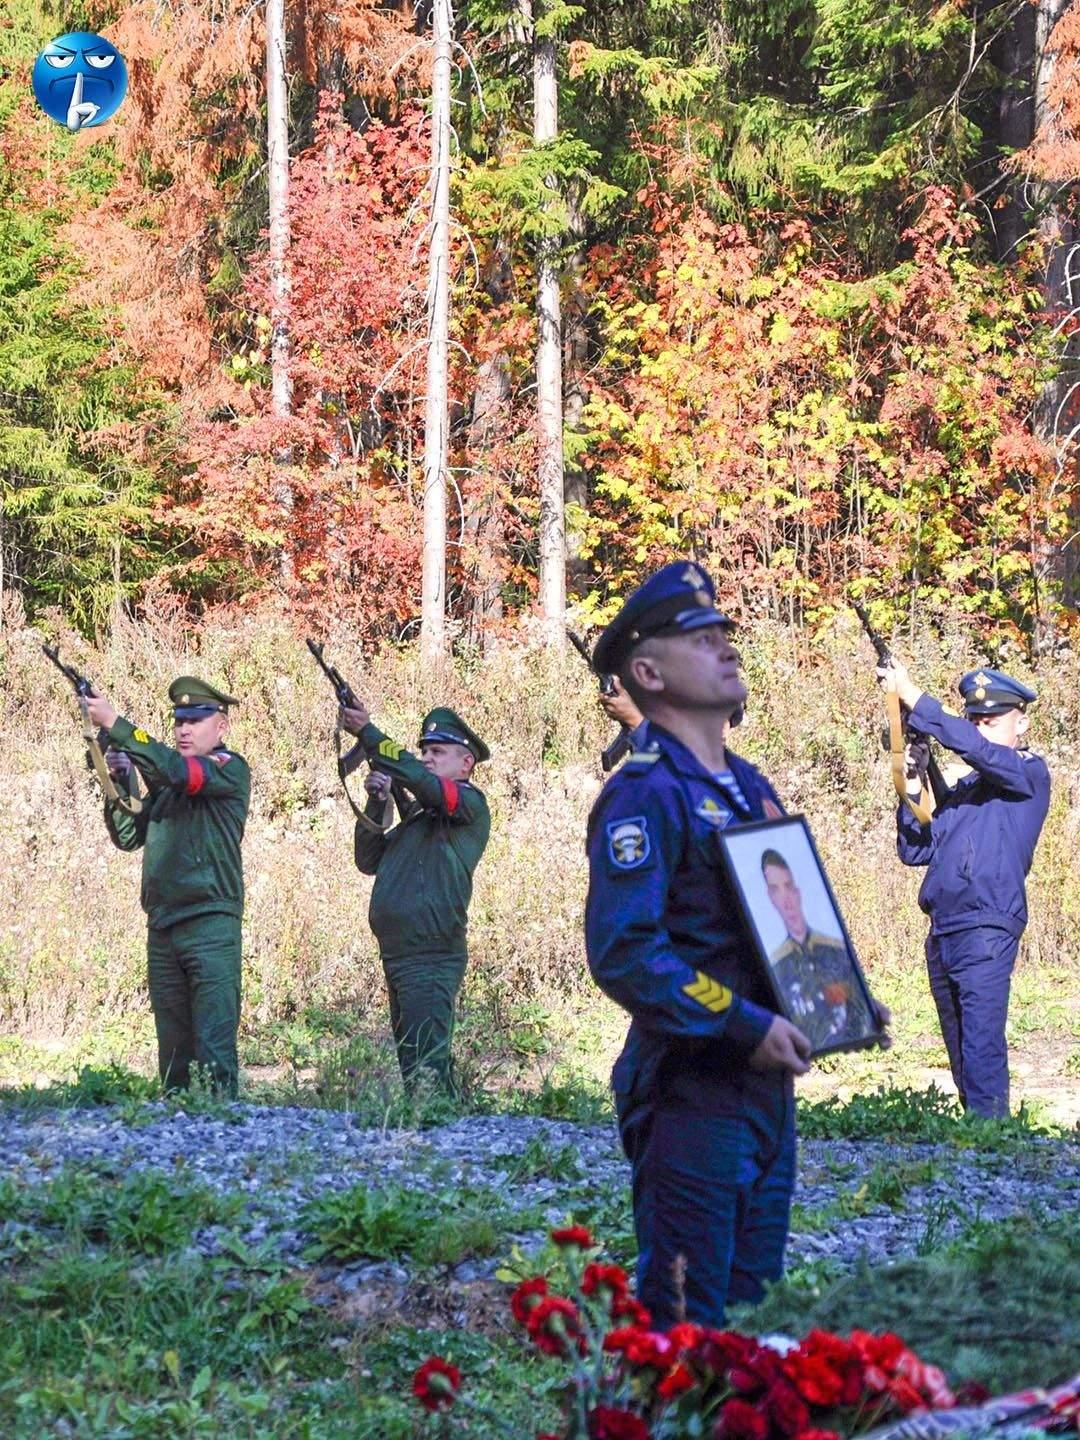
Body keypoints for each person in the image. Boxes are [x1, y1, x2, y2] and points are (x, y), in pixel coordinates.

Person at [585, 560, 891, 1328]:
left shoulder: (748, 785)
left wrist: (835, 996)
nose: (725, 645)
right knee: (689, 1327)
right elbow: (627, 952)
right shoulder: (644, 792)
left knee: (756, 1320)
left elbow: (778, 921)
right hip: (693, 1089)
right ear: (647, 672)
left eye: (725, 631)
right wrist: (743, 1023)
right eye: (700, 635)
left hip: (765, 1094)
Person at [882, 661, 1050, 1119]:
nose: (980, 729)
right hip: (944, 931)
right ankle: (978, 1146)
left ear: (1022, 721)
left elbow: (980, 752)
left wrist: (915, 698)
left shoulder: (1027, 774)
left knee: (980, 1048)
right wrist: (912, 784)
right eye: (974, 720)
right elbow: (916, 850)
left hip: (986, 927)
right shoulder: (966, 790)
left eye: (991, 721)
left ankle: (994, 1147)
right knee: (961, 1055)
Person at [86, 678, 250, 1097]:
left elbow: (180, 772)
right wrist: (122, 779)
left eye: (196, 720)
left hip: (210, 925)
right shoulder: (166, 783)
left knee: (215, 1055)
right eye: (179, 721)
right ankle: (178, 1143)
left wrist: (116, 723)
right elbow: (127, 836)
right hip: (163, 927)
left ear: (221, 727)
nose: (184, 729)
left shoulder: (229, 768)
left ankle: (225, 1144)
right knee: (174, 1058)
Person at [341, 700, 491, 1093]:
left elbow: (424, 783)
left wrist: (368, 734)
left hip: (430, 955)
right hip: (400, 954)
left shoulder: (469, 806)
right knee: (416, 1066)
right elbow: (368, 858)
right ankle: (429, 1142)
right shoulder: (420, 820)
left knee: (426, 1072)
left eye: (437, 752)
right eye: (424, 751)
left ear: (465, 764)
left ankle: (444, 1143)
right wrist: (379, 800)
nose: (427, 758)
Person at [762, 850, 874, 1051]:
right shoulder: (776, 963)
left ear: (798, 890)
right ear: (770, 897)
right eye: (776, 890)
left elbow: (858, 1009)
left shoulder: (835, 949)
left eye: (788, 886)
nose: (786, 900)